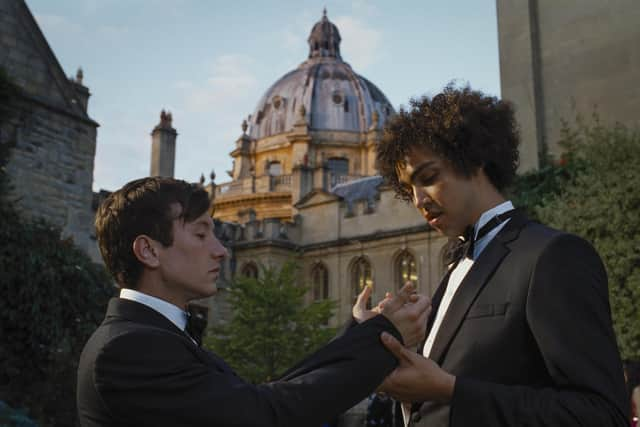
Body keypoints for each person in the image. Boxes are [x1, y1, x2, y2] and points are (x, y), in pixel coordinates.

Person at [367, 84, 629, 426]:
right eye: (407, 190)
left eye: (428, 177)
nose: (418, 200)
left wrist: (451, 389)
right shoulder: (456, 268)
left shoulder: (551, 256)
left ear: (473, 158)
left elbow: (602, 414)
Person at [76, 177, 431, 427]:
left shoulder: (150, 336)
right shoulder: (127, 349)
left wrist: (363, 333)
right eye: (201, 234)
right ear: (148, 250)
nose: (220, 250)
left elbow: (266, 395)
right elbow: (269, 415)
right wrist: (385, 341)